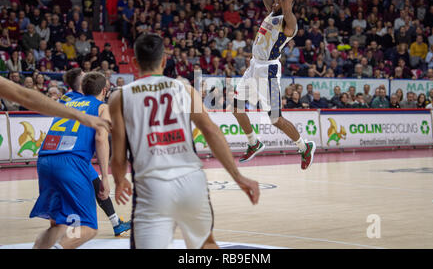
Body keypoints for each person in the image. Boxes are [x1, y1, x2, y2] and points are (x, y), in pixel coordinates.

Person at [109, 34, 260, 249]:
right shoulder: (184, 89)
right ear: (163, 61)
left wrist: (119, 180)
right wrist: (238, 176)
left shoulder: (120, 97)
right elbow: (211, 130)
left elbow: (118, 155)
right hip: (192, 182)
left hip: (152, 187)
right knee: (206, 244)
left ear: (134, 62)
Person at [232, 0, 316, 168]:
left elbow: (287, 1)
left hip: (268, 70)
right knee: (236, 106)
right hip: (254, 65)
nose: (276, 0)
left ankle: (304, 147)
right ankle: (254, 143)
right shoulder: (272, 12)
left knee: (275, 119)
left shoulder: (289, 23)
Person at [29, 72, 111, 249]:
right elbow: (101, 138)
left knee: (58, 225)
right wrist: (105, 176)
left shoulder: (68, 102)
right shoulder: (102, 107)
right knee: (88, 226)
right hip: (70, 162)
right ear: (104, 90)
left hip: (45, 160)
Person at [59, 68, 131, 237]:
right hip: (73, 155)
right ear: (79, 84)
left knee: (97, 185)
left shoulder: (67, 99)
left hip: (67, 154)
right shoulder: (88, 102)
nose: (87, 78)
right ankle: (69, 238)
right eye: (84, 77)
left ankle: (115, 223)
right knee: (79, 203)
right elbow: (101, 137)